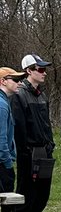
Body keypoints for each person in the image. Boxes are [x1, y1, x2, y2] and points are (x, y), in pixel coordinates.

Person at [11, 53, 60, 212]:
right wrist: (24, 151)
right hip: (29, 153)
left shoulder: (41, 94)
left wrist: (49, 143)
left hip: (43, 149)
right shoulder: (20, 94)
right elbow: (19, 127)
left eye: (44, 69)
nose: (44, 73)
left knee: (42, 193)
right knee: (26, 193)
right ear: (28, 71)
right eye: (39, 69)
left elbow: (46, 123)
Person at [0, 67, 23, 196]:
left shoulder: (4, 102)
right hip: (2, 166)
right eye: (15, 79)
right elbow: (1, 138)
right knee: (7, 206)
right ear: (3, 81)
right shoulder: (1, 105)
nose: (19, 83)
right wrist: (8, 163)